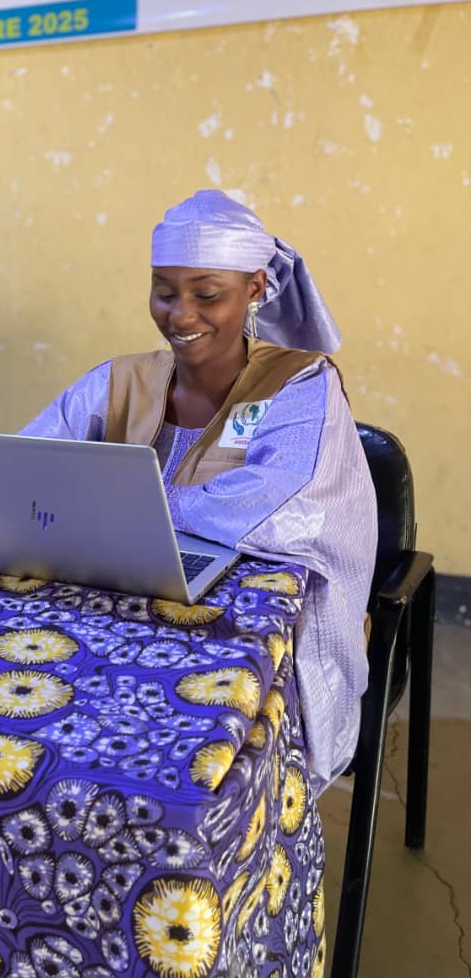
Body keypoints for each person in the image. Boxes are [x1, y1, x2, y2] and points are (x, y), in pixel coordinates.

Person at [21, 189, 377, 794]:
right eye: (165, 292)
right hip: (123, 603)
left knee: (197, 756)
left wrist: (121, 505)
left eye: (207, 295)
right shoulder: (120, 381)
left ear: (255, 288)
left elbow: (282, 503)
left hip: (237, 631)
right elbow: (26, 462)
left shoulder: (300, 388)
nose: (181, 315)